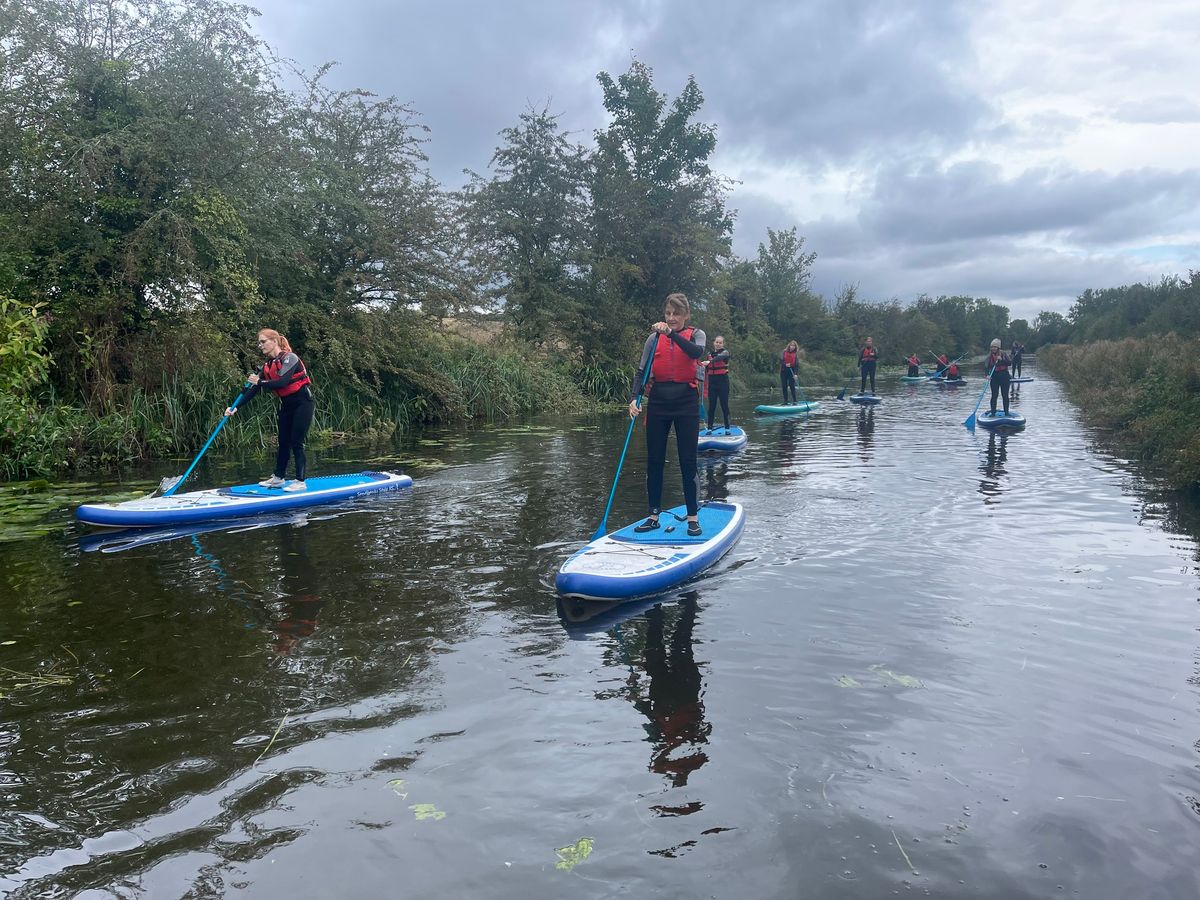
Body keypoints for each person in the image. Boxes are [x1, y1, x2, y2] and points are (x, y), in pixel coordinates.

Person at [628, 293, 706, 537]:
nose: (671, 318)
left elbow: (695, 353)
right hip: (659, 401)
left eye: (676, 314)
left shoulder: (696, 335)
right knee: (654, 460)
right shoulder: (653, 339)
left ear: (685, 315)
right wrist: (633, 397)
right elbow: (641, 372)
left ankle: (692, 518)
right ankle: (653, 516)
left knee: (687, 461)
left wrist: (671, 334)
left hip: (686, 402)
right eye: (668, 313)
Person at [226, 328, 315, 492]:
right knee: (283, 442)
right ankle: (278, 478)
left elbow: (282, 382)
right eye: (259, 343)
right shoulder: (267, 366)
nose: (260, 345)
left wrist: (259, 382)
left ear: (274, 341)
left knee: (296, 441)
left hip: (303, 402)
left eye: (263, 341)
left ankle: (300, 481)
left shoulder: (290, 358)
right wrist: (235, 407)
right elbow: (252, 390)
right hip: (286, 404)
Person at [702, 335, 731, 432]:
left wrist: (709, 361)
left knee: (724, 405)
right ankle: (710, 428)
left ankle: (727, 428)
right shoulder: (709, 354)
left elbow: (719, 358)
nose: (718, 344)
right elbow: (706, 369)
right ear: (714, 343)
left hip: (723, 382)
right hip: (712, 382)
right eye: (717, 342)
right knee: (712, 406)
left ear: (723, 344)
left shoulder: (725, 353)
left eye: (720, 342)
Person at [985, 338, 1012, 416]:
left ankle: (1006, 413)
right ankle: (993, 413)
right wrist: (987, 375)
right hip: (994, 377)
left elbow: (1009, 363)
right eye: (992, 347)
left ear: (998, 348)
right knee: (994, 395)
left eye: (994, 347)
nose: (993, 348)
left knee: (1005, 395)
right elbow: (986, 367)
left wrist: (1001, 360)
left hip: (1004, 376)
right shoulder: (989, 356)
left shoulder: (1004, 354)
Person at [780, 340, 800, 404]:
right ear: (789, 345)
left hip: (792, 372)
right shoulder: (784, 352)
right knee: (784, 386)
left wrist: (795, 374)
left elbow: (797, 365)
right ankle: (785, 401)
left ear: (795, 347)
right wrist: (785, 364)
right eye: (791, 345)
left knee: (791, 386)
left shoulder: (795, 354)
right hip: (783, 371)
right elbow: (781, 360)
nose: (792, 347)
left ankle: (795, 401)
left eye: (794, 346)